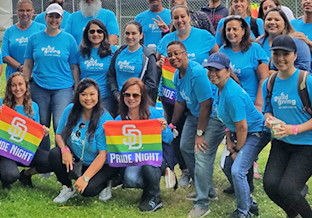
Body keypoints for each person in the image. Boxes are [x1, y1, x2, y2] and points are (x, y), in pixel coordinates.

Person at [261, 35, 312, 218]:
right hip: (282, 142)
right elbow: (267, 110)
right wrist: (269, 119)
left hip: (309, 143)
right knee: (270, 185)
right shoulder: (270, 82)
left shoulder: (307, 81)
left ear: (295, 55)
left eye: (286, 54)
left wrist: (294, 129)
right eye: (276, 53)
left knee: (288, 188)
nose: (280, 58)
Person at [155, 5, 218, 188]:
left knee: (200, 144)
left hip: (203, 96)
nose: (180, 20)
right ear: (172, 20)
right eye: (176, 17)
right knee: (180, 138)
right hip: (174, 94)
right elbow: (160, 59)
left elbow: (218, 56)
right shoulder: (168, 39)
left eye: (183, 16)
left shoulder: (204, 37)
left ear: (189, 17)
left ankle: (204, 183)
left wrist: (211, 74)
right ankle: (187, 172)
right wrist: (161, 62)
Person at [206, 52, 271, 218]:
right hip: (241, 132)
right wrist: (228, 140)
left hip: (256, 132)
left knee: (237, 170)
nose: (212, 73)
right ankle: (249, 203)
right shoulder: (220, 89)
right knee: (227, 166)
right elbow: (228, 121)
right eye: (210, 69)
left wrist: (237, 150)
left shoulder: (232, 93)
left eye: (217, 69)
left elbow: (242, 127)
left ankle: (244, 213)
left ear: (228, 71)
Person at [165, 41, 224, 218]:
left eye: (177, 53)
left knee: (202, 156)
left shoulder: (197, 73)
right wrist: (172, 124)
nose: (173, 58)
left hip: (213, 117)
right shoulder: (177, 75)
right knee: (184, 148)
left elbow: (207, 104)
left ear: (185, 54)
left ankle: (202, 203)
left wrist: (200, 133)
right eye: (170, 55)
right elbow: (180, 101)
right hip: (194, 115)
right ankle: (206, 189)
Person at [48, 78, 117, 203]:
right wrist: (64, 150)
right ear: (78, 95)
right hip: (79, 159)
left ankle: (105, 183)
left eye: (92, 94)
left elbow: (103, 155)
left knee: (87, 191)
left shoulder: (104, 119)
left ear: (98, 96)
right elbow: (58, 135)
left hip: (101, 164)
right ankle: (67, 188)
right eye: (83, 94)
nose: (88, 98)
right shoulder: (70, 110)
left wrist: (85, 178)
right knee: (54, 153)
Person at [22, 3, 80, 149]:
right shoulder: (34, 38)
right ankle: (45, 162)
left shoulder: (69, 39)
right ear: (45, 17)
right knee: (41, 124)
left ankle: (63, 156)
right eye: (51, 16)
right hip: (39, 86)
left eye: (57, 17)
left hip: (63, 88)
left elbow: (74, 66)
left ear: (62, 19)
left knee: (61, 123)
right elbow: (28, 65)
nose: (54, 20)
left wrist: (77, 87)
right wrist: (25, 85)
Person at [116, 78, 172, 212]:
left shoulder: (153, 113)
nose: (131, 98)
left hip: (156, 156)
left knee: (148, 163)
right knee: (130, 180)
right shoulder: (119, 119)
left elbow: (169, 139)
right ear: (122, 96)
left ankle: (154, 197)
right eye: (127, 95)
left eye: (135, 95)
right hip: (133, 159)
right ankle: (149, 188)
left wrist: (163, 130)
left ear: (142, 96)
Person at [0, 72, 53, 188]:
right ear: (9, 88)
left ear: (26, 86)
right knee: (10, 175)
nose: (17, 88)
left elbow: (35, 132)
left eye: (20, 84)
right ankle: (5, 177)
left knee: (52, 161)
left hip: (25, 151)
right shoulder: (1, 104)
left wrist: (43, 131)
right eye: (13, 85)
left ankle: (26, 174)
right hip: (7, 151)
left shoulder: (34, 106)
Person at [218, 15, 270, 111]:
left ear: (243, 31)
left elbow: (264, 78)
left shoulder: (255, 49)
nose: (231, 32)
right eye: (228, 29)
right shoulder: (222, 50)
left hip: (250, 103)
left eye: (235, 29)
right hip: (230, 103)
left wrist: (258, 105)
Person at [107, 21, 160, 105]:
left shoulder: (148, 56)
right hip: (119, 101)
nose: (130, 36)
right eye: (127, 33)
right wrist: (117, 95)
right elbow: (111, 75)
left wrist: (133, 96)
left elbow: (151, 83)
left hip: (138, 102)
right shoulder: (118, 53)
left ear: (141, 35)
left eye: (134, 33)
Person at [78, 19, 118, 115]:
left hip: (105, 97)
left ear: (104, 33)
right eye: (92, 31)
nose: (95, 34)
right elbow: (76, 72)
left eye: (99, 31)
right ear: (86, 34)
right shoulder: (80, 51)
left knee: (104, 126)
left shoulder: (113, 51)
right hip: (85, 97)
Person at [258, 7, 312, 72]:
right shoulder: (259, 43)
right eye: (269, 19)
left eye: (277, 20)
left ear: (285, 23)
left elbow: (304, 68)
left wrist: (278, 75)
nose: (272, 22)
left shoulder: (297, 42)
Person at [3, 0, 46, 78]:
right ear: (16, 12)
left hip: (36, 76)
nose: (25, 13)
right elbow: (5, 55)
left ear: (33, 12)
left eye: (28, 10)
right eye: (21, 10)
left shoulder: (41, 28)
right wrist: (20, 67)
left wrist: (30, 67)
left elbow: (45, 51)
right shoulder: (9, 31)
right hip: (14, 77)